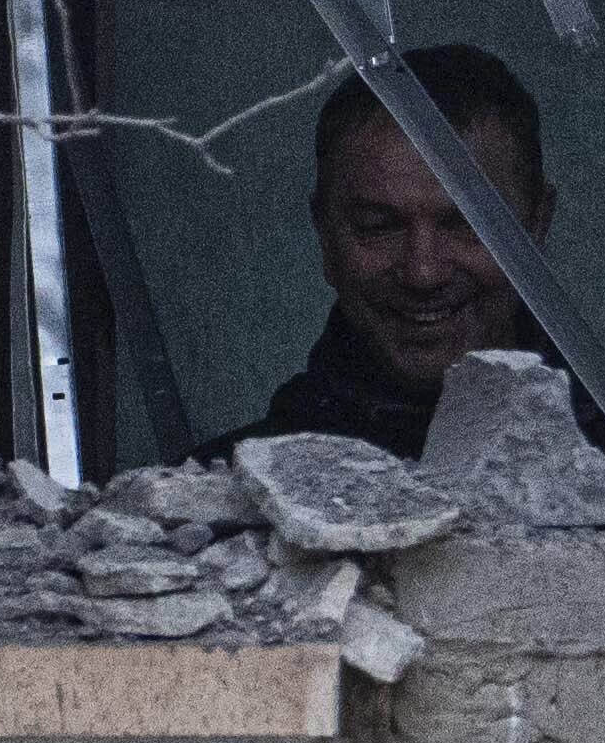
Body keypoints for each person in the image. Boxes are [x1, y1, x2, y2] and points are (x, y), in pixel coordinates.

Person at [238, 44, 556, 456]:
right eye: (379, 227)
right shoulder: (225, 497)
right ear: (325, 234)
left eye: (467, 225)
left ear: (538, 223)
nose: (423, 272)